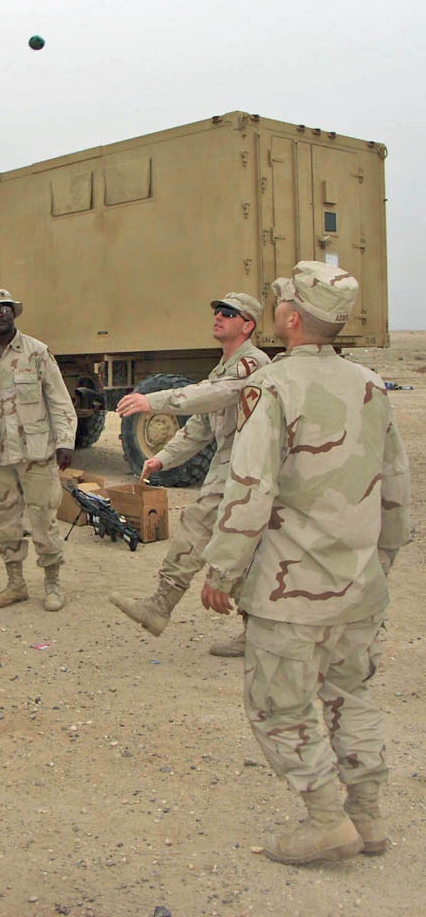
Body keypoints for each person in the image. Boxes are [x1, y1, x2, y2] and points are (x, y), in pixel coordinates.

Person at [200, 261, 410, 865]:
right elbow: (395, 484)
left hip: (292, 591)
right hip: (359, 585)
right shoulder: (371, 383)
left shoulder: (273, 387)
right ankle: (367, 819)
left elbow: (250, 487)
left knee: (279, 705)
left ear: (291, 319)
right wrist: (381, 561)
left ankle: (326, 820)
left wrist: (223, 570)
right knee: (352, 695)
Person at [110, 292, 269, 653]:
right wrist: (163, 458)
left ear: (248, 325)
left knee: (219, 534)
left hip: (250, 467)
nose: (219, 317)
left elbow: (214, 396)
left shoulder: (252, 365)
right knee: (230, 541)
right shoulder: (224, 366)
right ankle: (167, 609)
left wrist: (155, 400)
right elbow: (200, 426)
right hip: (231, 467)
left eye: (229, 313)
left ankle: (162, 607)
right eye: (217, 311)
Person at [0, 288, 77, 611]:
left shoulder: (37, 353)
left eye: (6, 309)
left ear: (14, 313)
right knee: (5, 522)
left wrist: (65, 441)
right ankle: (15, 584)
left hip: (35, 453)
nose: (1, 315)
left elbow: (59, 399)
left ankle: (52, 583)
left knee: (43, 519)